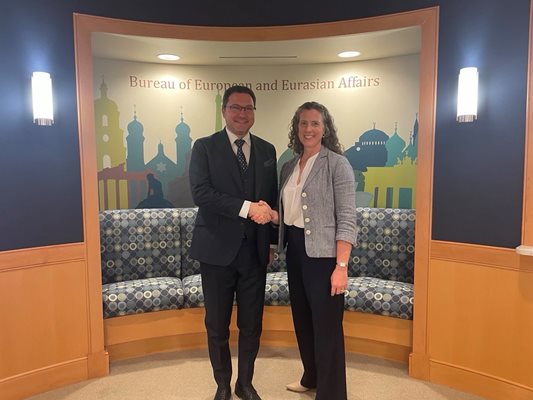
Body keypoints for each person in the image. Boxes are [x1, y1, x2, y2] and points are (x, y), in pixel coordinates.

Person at [189, 85, 277, 400]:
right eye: (236, 107)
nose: (242, 113)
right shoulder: (204, 147)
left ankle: (245, 383)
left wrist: (271, 243)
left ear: (254, 112)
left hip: (255, 252)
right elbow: (201, 193)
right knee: (217, 324)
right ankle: (223, 384)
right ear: (224, 111)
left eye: (248, 108)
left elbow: (270, 197)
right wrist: (246, 208)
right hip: (215, 251)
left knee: (252, 324)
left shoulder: (267, 150)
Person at [269, 101, 357, 400]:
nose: (309, 129)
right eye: (303, 123)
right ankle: (311, 376)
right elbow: (291, 212)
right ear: (296, 128)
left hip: (325, 257)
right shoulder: (289, 166)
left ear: (325, 128)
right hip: (295, 251)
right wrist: (272, 216)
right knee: (303, 320)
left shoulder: (337, 164)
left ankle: (332, 393)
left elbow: (347, 218)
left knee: (327, 327)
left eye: (315, 123)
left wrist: (341, 267)